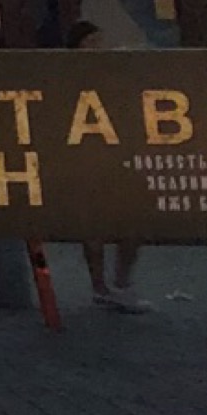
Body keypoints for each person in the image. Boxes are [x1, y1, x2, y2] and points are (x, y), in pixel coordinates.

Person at [68, 21, 148, 313]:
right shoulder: (69, 77)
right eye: (90, 41)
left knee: (130, 223)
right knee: (94, 227)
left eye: (98, 41)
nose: (96, 47)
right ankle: (102, 287)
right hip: (88, 156)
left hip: (114, 153)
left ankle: (120, 283)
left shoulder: (111, 73)